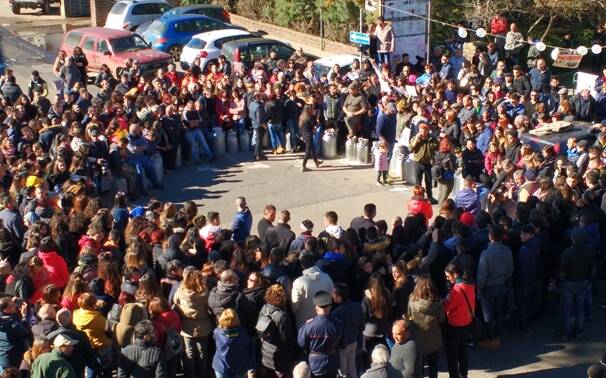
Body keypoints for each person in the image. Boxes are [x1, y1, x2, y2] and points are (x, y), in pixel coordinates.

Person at [476, 225, 513, 350]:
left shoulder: (485, 254)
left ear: (490, 237)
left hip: (488, 288)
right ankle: (497, 336)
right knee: (498, 313)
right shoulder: (507, 250)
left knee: (488, 316)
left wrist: (479, 288)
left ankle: (490, 338)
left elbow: (482, 275)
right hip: (501, 285)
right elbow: (510, 270)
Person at [173, 268, 212, 378]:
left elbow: (175, 302)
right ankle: (202, 374)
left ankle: (190, 375)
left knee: (189, 353)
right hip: (203, 326)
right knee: (202, 353)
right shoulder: (205, 294)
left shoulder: (181, 292)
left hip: (186, 326)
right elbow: (209, 307)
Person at [297, 291, 344, 378]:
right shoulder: (338, 324)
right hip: (332, 363)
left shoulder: (309, 326)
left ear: (316, 308)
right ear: (330, 307)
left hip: (315, 364)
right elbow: (342, 343)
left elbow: (301, 343)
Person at [407, 277, 445, 378]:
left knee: (419, 367)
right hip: (433, 339)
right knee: (433, 366)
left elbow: (408, 315)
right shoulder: (438, 302)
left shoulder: (412, 299)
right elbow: (442, 319)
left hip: (417, 337)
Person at [256, 284, 297, 377]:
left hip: (265, 349)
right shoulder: (283, 315)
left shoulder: (264, 308)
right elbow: (285, 337)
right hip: (278, 352)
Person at [443, 264, 475, 378]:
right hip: (467, 321)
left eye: (448, 276)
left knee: (452, 354)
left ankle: (454, 375)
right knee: (463, 349)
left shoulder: (456, 291)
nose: (447, 279)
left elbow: (445, 307)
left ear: (455, 275)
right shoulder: (470, 284)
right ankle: (463, 373)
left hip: (455, 324)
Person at [292, 251, 335, 328]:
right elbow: (333, 295)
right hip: (324, 322)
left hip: (304, 323)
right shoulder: (327, 277)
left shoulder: (298, 282)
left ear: (302, 266)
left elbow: (295, 306)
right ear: (314, 263)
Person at [331, 283, 363, 378]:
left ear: (340, 297)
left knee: (343, 371)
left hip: (342, 345)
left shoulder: (336, 313)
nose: (332, 295)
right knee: (352, 367)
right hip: (354, 341)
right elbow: (361, 325)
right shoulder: (357, 306)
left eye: (334, 294)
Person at [212, 309, 255, 378]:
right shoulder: (243, 332)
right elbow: (247, 345)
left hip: (221, 366)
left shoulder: (217, 332)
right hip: (239, 366)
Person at [409, 123, 439, 203]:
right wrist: (416, 140)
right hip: (418, 162)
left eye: (424, 131)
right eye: (421, 131)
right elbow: (410, 149)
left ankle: (430, 197)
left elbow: (437, 148)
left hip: (428, 162)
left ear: (428, 131)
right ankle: (418, 196)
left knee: (428, 181)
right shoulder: (415, 138)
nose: (423, 132)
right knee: (418, 182)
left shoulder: (432, 139)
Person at [299, 98, 323, 172]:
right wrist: (315, 115)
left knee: (312, 148)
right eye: (311, 108)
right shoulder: (310, 117)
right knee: (308, 151)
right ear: (309, 110)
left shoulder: (302, 117)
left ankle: (316, 162)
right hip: (309, 135)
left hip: (304, 134)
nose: (313, 109)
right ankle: (303, 166)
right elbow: (316, 124)